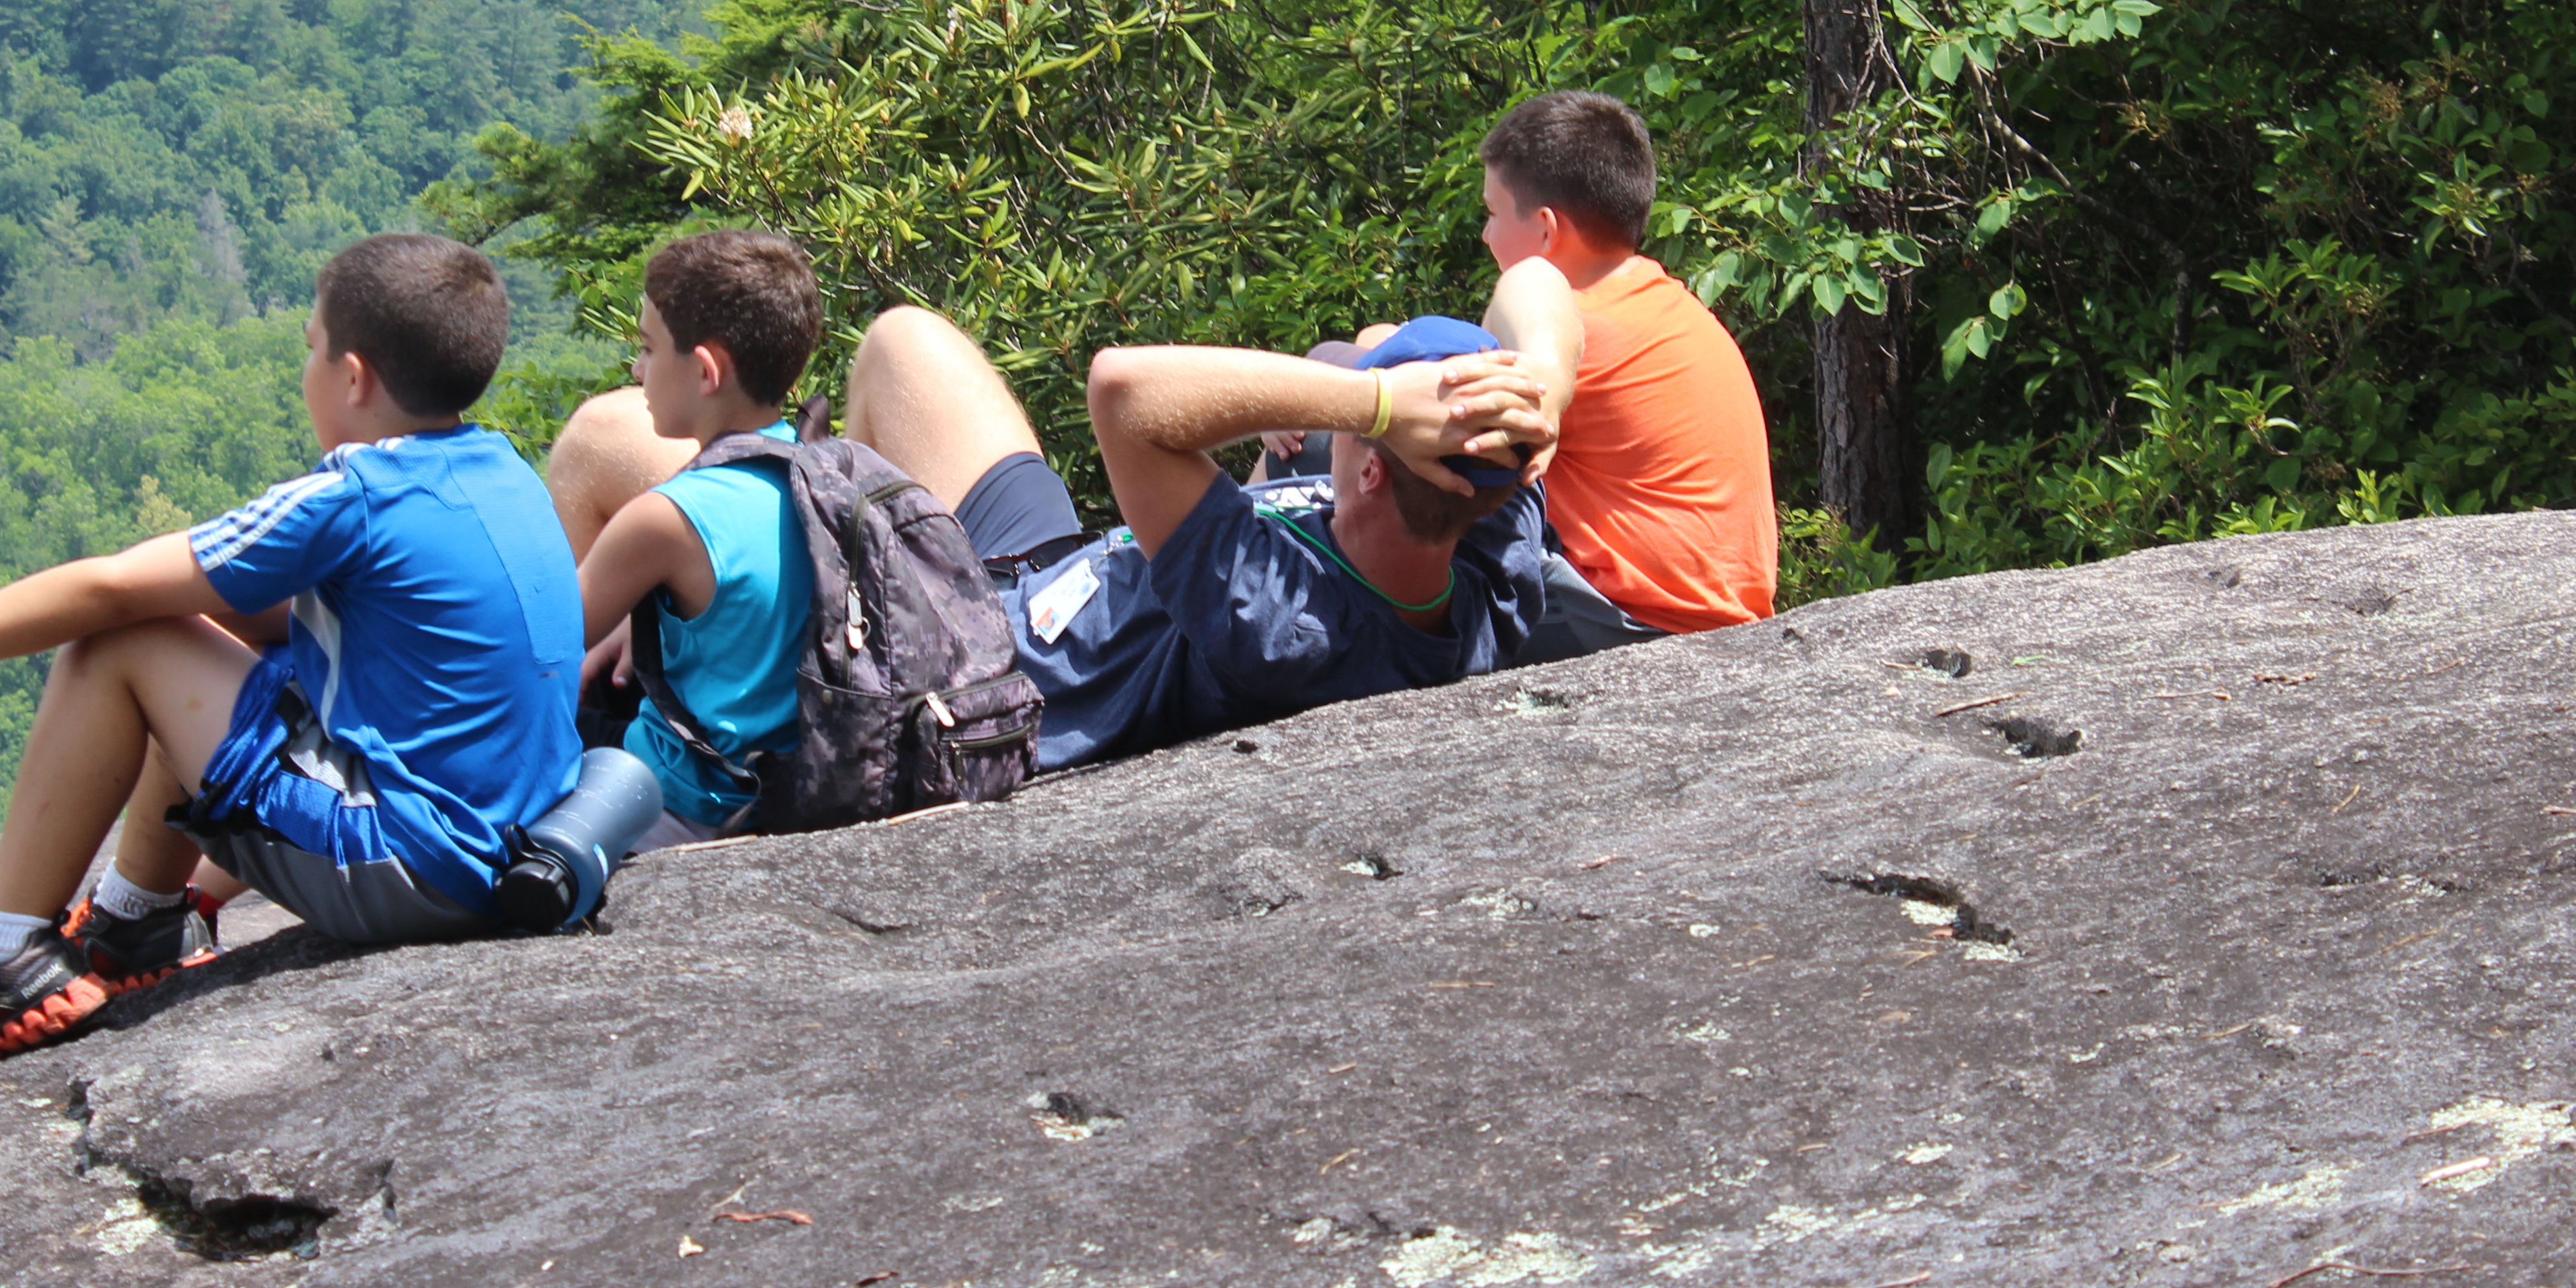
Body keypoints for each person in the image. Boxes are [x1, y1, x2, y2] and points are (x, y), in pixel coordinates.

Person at [0, 234, 584, 1092]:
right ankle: (134, 927)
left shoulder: (356, 495)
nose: (304, 368)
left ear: (353, 377)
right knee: (196, 640)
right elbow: (275, 612)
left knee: (122, 643)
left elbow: (113, 592)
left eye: (311, 347)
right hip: (507, 849)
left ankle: (1, 970)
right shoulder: (499, 467)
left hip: (410, 869)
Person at [828, 261, 1580, 770]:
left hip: (984, 652)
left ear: (1374, 468)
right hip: (1072, 571)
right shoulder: (1490, 569)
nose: (1352, 376)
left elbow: (1121, 388)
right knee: (906, 343)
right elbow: (1539, 277)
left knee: (864, 393)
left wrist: (1373, 400)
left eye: (1359, 405)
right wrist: (1540, 384)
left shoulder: (1288, 621)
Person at [538, 230, 825, 843]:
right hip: (791, 781)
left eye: (648, 348)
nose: (637, 370)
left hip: (687, 799)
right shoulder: (818, 467)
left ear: (704, 371)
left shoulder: (666, 518)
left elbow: (539, 648)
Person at [1473, 91, 1776, 654]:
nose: (1486, 236)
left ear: (1544, 229)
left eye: (1492, 214)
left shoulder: (1586, 324)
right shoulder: (1666, 306)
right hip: (1718, 625)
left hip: (1634, 628)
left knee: (1332, 455)